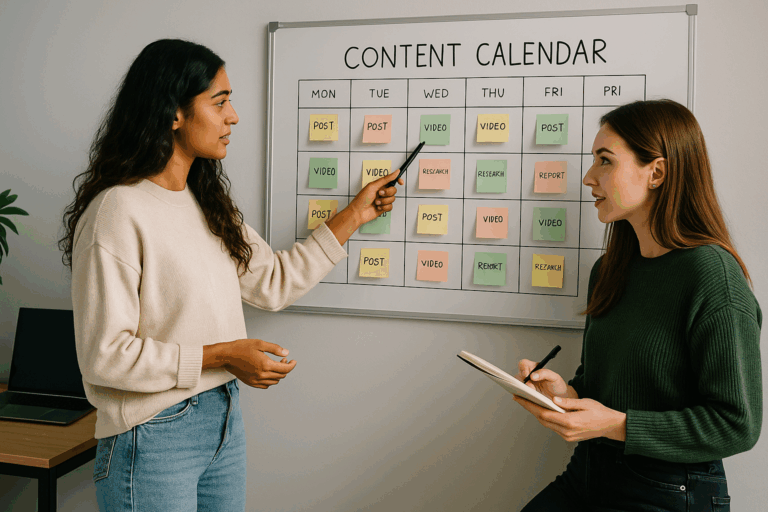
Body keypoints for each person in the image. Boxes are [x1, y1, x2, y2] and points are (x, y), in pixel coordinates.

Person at [58, 39, 403, 512]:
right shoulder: (117, 211)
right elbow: (105, 357)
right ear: (173, 113)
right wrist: (223, 354)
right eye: (219, 102)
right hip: (153, 436)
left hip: (222, 421)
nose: (234, 116)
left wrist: (355, 216)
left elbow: (274, 281)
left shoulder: (207, 203)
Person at [513, 99, 761, 511]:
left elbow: (737, 424)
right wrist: (563, 393)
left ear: (657, 172)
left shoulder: (712, 276)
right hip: (589, 474)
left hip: (667, 491)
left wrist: (617, 425)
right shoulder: (609, 269)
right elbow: (601, 389)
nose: (589, 177)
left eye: (605, 161)